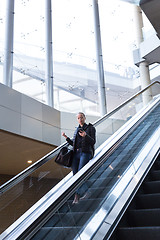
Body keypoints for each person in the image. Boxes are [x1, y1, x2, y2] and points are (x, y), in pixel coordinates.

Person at [62, 112, 96, 204]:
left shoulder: (90, 128)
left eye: (81, 117)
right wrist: (66, 138)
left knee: (80, 173)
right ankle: (77, 195)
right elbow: (74, 143)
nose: (80, 119)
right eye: (78, 118)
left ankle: (83, 193)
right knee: (75, 175)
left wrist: (86, 136)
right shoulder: (77, 129)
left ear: (85, 118)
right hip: (75, 153)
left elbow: (93, 141)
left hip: (85, 152)